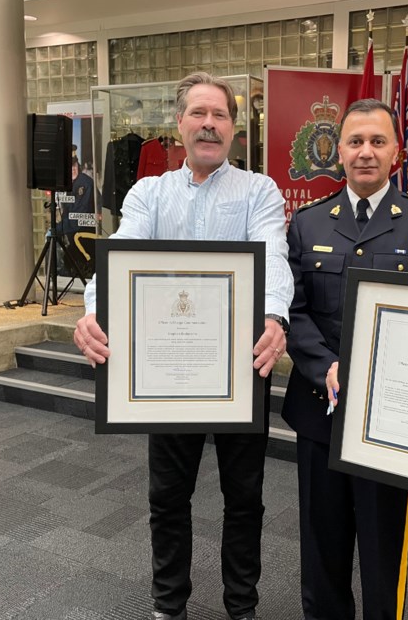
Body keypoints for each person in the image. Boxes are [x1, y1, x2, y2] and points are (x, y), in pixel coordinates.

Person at [74, 72, 293, 620]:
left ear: (234, 128)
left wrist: (272, 314)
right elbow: (119, 256)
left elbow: (273, 258)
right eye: (198, 113)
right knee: (167, 498)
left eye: (219, 115)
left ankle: (241, 606)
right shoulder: (149, 193)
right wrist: (92, 312)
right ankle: (168, 605)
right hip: (168, 372)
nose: (209, 124)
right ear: (180, 124)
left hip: (240, 369)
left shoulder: (259, 191)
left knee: (245, 500)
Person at [283, 98, 408, 620]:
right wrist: (324, 366)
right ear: (339, 153)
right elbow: (295, 309)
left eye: (377, 142)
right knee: (321, 549)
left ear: (396, 153)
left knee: (385, 553)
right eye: (355, 142)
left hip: (391, 419)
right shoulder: (307, 225)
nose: (365, 152)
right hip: (321, 411)